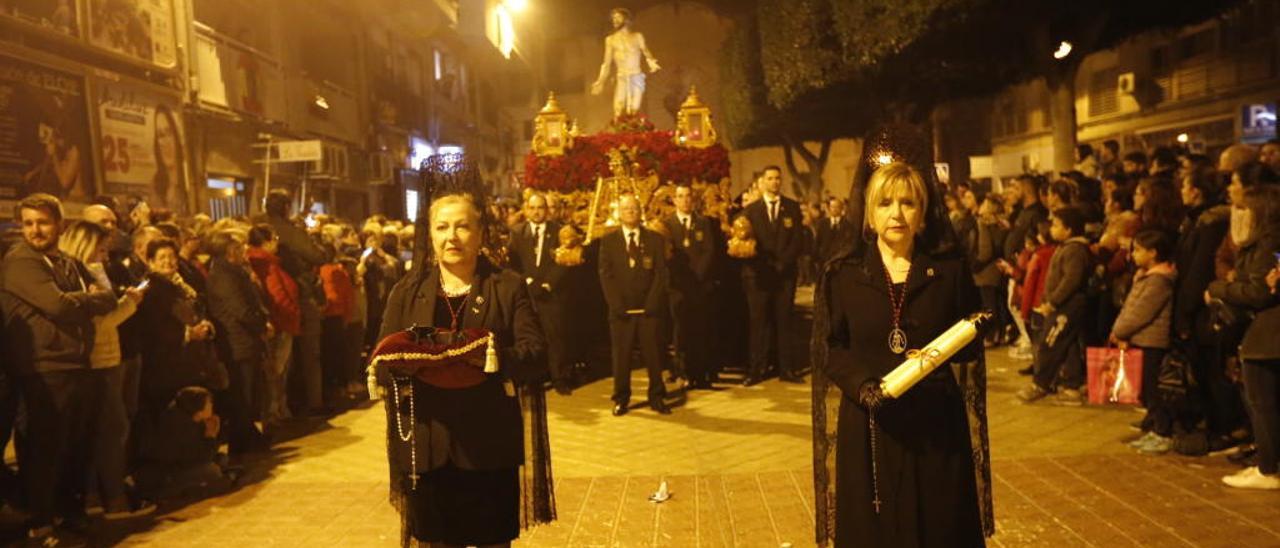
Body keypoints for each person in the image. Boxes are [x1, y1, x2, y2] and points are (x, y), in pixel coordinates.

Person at [815, 162, 989, 547]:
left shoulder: (947, 271)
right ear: (869, 214)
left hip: (934, 420)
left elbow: (971, 341)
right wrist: (863, 386)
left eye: (908, 203)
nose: (896, 214)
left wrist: (944, 350)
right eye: (885, 204)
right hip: (871, 423)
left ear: (923, 212)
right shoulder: (843, 274)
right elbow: (831, 348)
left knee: (939, 523)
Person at [373, 183, 553, 547]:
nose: (451, 236)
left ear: (480, 233)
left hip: (488, 443)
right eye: (442, 227)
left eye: (462, 226)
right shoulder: (407, 291)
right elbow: (382, 357)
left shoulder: (507, 286)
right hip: (429, 445)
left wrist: (494, 356)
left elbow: (535, 353)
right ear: (430, 234)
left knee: (491, 540)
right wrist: (393, 365)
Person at [0, 194, 116, 541]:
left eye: (43, 222)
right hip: (43, 368)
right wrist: (85, 301)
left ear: (60, 224)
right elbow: (59, 306)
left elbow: (108, 297)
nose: (35, 230)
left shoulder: (65, 261)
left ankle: (70, 512)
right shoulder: (21, 261)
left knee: (75, 447)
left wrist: (81, 301)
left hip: (76, 362)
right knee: (44, 449)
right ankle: (42, 520)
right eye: (29, 223)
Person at [56, 220, 156, 518]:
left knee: (105, 431)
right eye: (99, 249)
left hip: (109, 356)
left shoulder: (91, 272)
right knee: (112, 431)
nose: (103, 256)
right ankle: (112, 499)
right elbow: (99, 322)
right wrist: (130, 303)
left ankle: (96, 497)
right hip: (98, 361)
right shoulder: (78, 276)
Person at [1213, 186, 1280, 489]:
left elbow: (1262, 290)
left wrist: (1221, 288)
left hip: (1269, 333)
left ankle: (1269, 468)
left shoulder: (1268, 242)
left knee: (1263, 402)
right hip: (1265, 331)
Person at [598, 194, 671, 414]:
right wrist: (616, 304)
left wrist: (652, 302)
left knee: (654, 355)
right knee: (622, 356)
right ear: (619, 213)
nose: (630, 211)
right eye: (626, 208)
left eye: (634, 208)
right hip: (621, 311)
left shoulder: (654, 240)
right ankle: (621, 398)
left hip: (648, 309)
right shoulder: (608, 241)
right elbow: (605, 275)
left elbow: (661, 274)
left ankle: (657, 396)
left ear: (641, 212)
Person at [205, 230, 270, 455]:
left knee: (249, 394)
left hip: (245, 341)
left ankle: (249, 436)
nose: (244, 251)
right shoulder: (224, 276)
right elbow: (240, 309)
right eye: (239, 247)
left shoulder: (234, 272)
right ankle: (241, 444)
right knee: (241, 395)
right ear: (230, 251)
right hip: (236, 342)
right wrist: (260, 324)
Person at [1018, 206, 1092, 404]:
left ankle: (1041, 384)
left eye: (1057, 225)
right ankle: (1071, 386)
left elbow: (1071, 281)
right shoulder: (1066, 248)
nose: (1052, 229)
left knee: (1050, 343)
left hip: (1067, 307)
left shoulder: (1075, 250)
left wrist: (1053, 302)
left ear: (1069, 230)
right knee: (1068, 346)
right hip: (1063, 306)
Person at [1112, 230, 1177, 454]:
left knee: (1152, 388)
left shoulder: (1159, 281)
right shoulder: (1144, 276)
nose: (1133, 254)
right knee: (1143, 387)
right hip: (1139, 337)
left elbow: (1141, 312)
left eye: (1138, 250)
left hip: (1151, 340)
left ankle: (1163, 432)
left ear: (1153, 253)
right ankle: (1154, 428)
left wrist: (1120, 330)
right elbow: (1129, 307)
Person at [264, 189, 328, 415]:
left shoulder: (259, 227)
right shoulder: (289, 232)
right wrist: (316, 237)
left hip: (268, 298)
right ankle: (312, 401)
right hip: (296, 294)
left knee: (280, 357)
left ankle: (284, 405)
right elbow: (318, 256)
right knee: (309, 352)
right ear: (285, 208)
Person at [741, 166, 805, 384]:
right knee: (758, 324)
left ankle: (786, 369)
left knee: (784, 322)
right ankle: (756, 370)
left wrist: (782, 263)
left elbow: (798, 239)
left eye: (778, 178)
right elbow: (747, 242)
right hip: (759, 276)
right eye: (770, 178)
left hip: (785, 275)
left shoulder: (792, 207)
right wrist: (765, 264)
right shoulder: (750, 211)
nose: (775, 182)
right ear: (762, 181)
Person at [507, 193, 571, 394]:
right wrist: (527, 281)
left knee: (555, 337)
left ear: (547, 210)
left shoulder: (558, 231)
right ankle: (533, 379)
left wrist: (547, 284)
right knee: (530, 337)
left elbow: (564, 261)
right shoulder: (517, 232)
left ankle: (559, 378)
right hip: (526, 294)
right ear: (526, 209)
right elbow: (513, 262)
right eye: (532, 208)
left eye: (540, 208)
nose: (536, 212)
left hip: (550, 294)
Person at [663, 183, 723, 389]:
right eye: (680, 196)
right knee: (680, 332)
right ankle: (681, 373)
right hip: (678, 287)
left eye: (688, 196)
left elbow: (709, 250)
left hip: (700, 285)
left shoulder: (703, 222)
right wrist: (682, 280)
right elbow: (666, 255)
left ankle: (700, 373)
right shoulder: (667, 225)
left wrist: (698, 276)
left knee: (700, 330)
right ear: (675, 200)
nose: (685, 200)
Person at [246, 224, 300, 425]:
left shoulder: (266, 262)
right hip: (280, 324)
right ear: (266, 242)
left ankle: (276, 409)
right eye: (274, 238)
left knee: (275, 371)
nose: (277, 242)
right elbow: (277, 295)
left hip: (278, 322)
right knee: (275, 370)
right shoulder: (265, 264)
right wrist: (291, 315)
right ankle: (273, 411)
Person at [590, 7, 660, 118]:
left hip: (636, 76)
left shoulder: (637, 37)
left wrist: (651, 62)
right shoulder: (611, 40)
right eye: (613, 18)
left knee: (634, 108)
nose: (615, 20)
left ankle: (634, 132)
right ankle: (619, 130)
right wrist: (601, 80)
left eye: (618, 17)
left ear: (626, 20)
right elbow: (606, 63)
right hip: (621, 77)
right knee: (618, 107)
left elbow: (646, 51)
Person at [815, 196, 855, 267]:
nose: (834, 209)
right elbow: (818, 241)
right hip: (823, 260)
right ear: (829, 208)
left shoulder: (847, 225)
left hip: (839, 261)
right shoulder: (822, 224)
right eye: (832, 206)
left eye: (837, 206)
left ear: (841, 208)